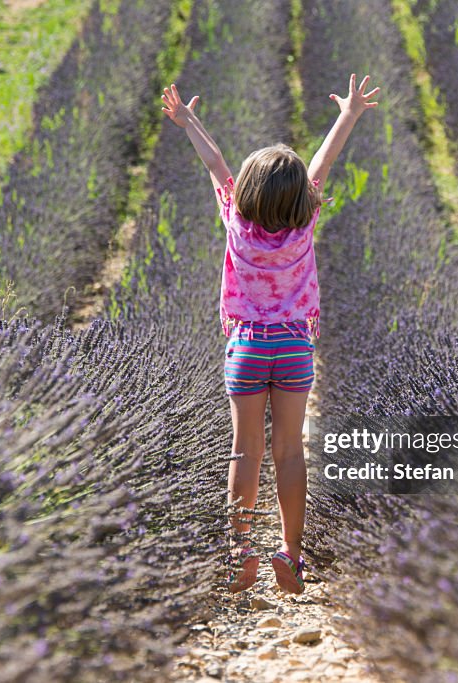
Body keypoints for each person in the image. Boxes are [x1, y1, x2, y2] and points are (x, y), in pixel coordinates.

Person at [161, 74, 380, 594]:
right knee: (289, 451)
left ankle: (239, 555)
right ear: (303, 196)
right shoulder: (305, 222)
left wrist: (188, 120)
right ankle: (292, 554)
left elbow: (215, 164)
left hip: (247, 345)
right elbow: (322, 164)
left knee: (245, 451)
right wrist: (347, 115)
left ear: (246, 192)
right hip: (294, 347)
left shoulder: (236, 219)